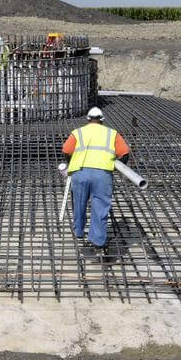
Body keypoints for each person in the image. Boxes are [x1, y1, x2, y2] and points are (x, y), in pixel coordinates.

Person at [62, 107, 131, 261]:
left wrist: (71, 162)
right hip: (102, 175)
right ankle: (98, 241)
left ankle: (79, 232)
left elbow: (66, 150)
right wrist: (114, 166)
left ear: (87, 119)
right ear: (101, 120)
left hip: (80, 173)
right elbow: (124, 152)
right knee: (100, 208)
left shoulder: (78, 132)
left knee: (78, 203)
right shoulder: (112, 133)